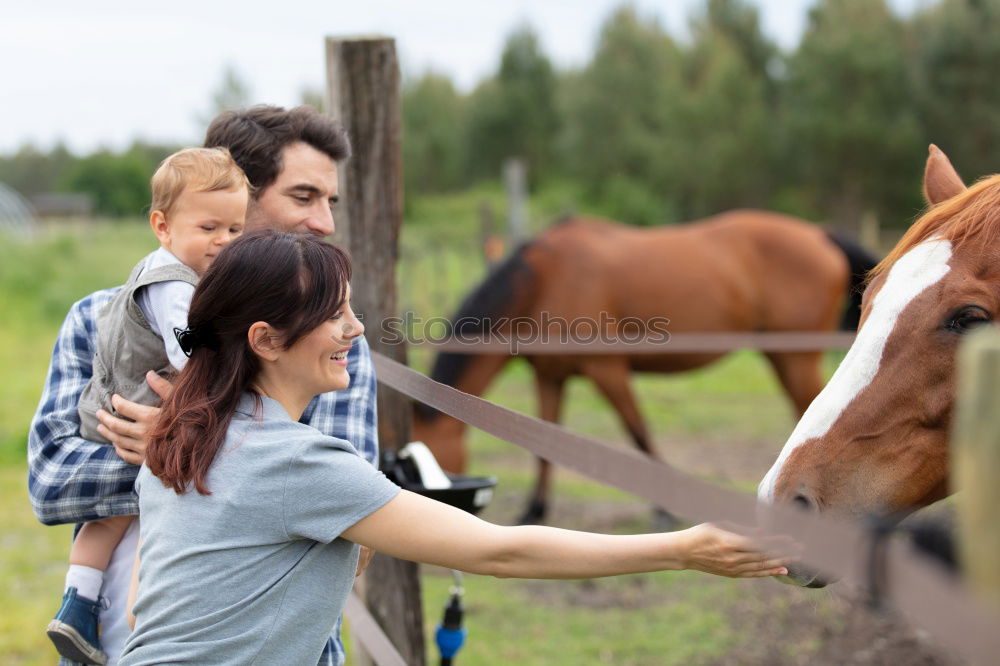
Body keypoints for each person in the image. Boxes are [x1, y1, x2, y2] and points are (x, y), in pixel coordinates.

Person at [119, 230, 791, 664]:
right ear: (266, 340)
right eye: (334, 315)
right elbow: (500, 549)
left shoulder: (188, 438)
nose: (355, 328)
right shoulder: (293, 459)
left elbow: (143, 607)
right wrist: (680, 550)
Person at [28, 105, 377, 666]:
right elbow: (52, 482)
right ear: (234, 189)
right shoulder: (98, 317)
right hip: (122, 646)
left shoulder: (331, 342)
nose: (324, 223)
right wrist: (200, 455)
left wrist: (189, 448)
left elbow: (346, 502)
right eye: (303, 197)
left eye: (329, 202)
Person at [46, 147, 249, 665]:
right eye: (210, 229)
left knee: (110, 522)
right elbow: (191, 353)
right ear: (162, 225)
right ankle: (132, 614)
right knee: (146, 500)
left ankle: (78, 603)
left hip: (116, 403)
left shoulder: (170, 273)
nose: (224, 243)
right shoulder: (173, 286)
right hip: (133, 405)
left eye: (235, 230)